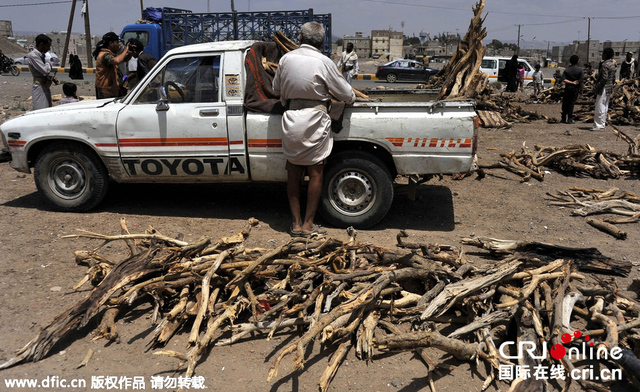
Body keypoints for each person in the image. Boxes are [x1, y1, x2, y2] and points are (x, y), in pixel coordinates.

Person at [272, 22, 355, 237]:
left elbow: (276, 89)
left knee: (293, 170)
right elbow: (347, 94)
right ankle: (309, 225)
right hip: (316, 120)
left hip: (291, 119)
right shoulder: (324, 62)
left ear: (299, 37)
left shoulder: (286, 59)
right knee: (316, 171)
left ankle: (296, 224)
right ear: (321, 42)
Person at [92, 32, 132, 99]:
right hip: (106, 92)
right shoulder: (104, 55)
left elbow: (123, 59)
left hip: (111, 90)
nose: (119, 44)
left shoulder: (110, 54)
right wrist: (125, 51)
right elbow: (116, 61)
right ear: (111, 43)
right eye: (117, 42)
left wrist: (129, 53)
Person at [26, 34, 60, 110]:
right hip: (39, 88)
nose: (48, 49)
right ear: (41, 44)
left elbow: (42, 73)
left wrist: (51, 78)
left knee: (47, 109)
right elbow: (44, 70)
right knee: (41, 110)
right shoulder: (33, 56)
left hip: (44, 86)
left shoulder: (41, 55)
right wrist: (49, 63)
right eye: (47, 46)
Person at [592, 47, 617, 131]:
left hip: (604, 88)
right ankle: (602, 123)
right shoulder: (612, 64)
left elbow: (604, 78)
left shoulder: (605, 65)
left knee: (600, 106)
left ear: (605, 55)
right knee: (605, 106)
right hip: (609, 87)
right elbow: (613, 78)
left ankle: (598, 125)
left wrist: (597, 87)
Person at [561, 55, 584, 124]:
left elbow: (563, 79)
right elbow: (581, 82)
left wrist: (570, 82)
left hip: (567, 88)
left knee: (565, 102)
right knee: (571, 103)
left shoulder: (567, 70)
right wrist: (581, 90)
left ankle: (563, 118)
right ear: (577, 61)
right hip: (575, 89)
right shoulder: (580, 70)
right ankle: (570, 118)